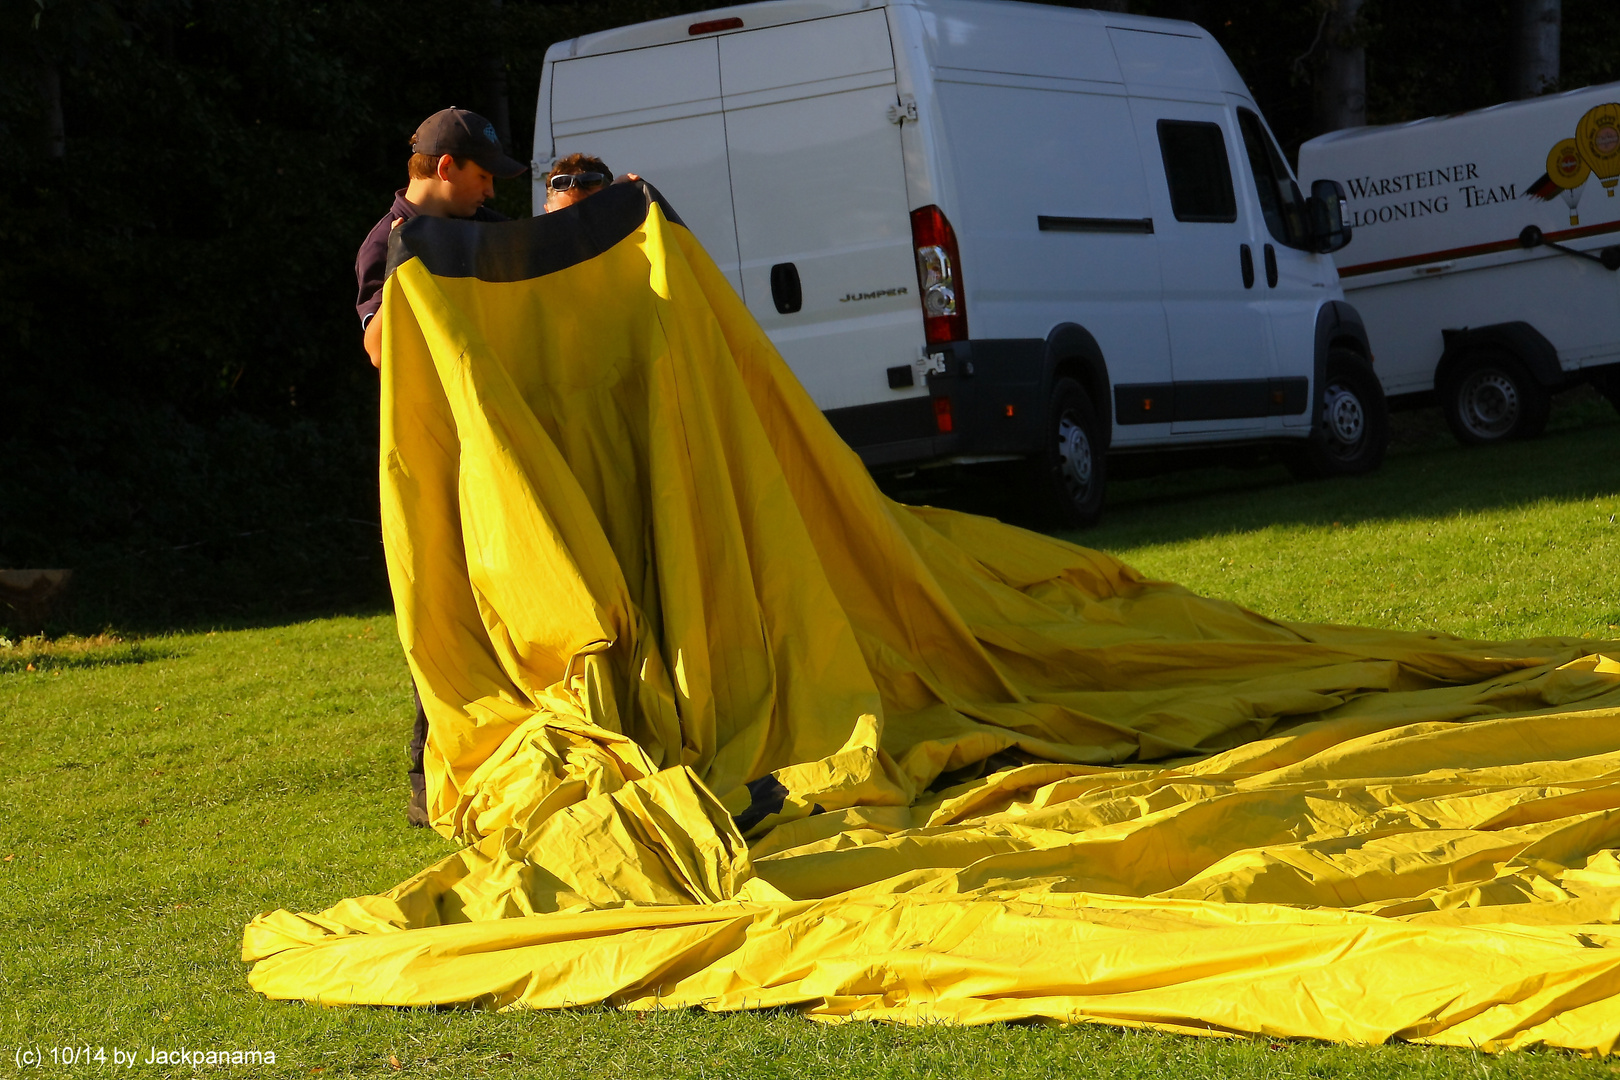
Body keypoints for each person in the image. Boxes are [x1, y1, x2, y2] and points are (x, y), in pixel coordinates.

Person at [353, 107, 526, 826]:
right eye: (483, 176)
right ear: (446, 167)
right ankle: (431, 775)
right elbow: (380, 352)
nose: (491, 191)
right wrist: (407, 266)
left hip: (507, 448)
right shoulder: (381, 244)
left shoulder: (485, 229)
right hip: (443, 458)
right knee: (449, 611)